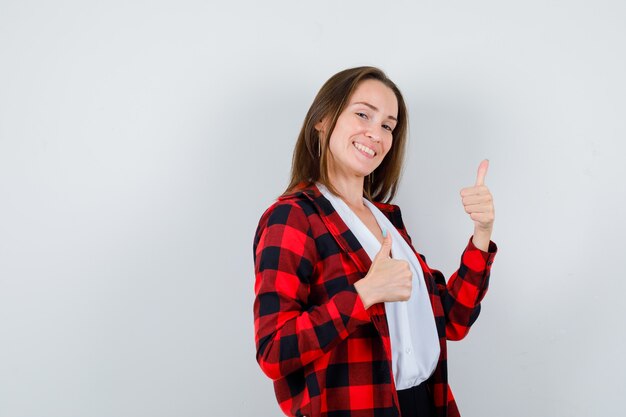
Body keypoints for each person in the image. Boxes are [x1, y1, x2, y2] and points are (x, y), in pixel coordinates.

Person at [252, 66, 497, 417]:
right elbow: (275, 351)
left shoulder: (387, 219)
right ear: (323, 119)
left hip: (426, 404)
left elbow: (453, 320)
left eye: (387, 125)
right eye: (363, 114)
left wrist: (482, 233)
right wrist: (364, 294)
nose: (376, 133)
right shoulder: (293, 217)